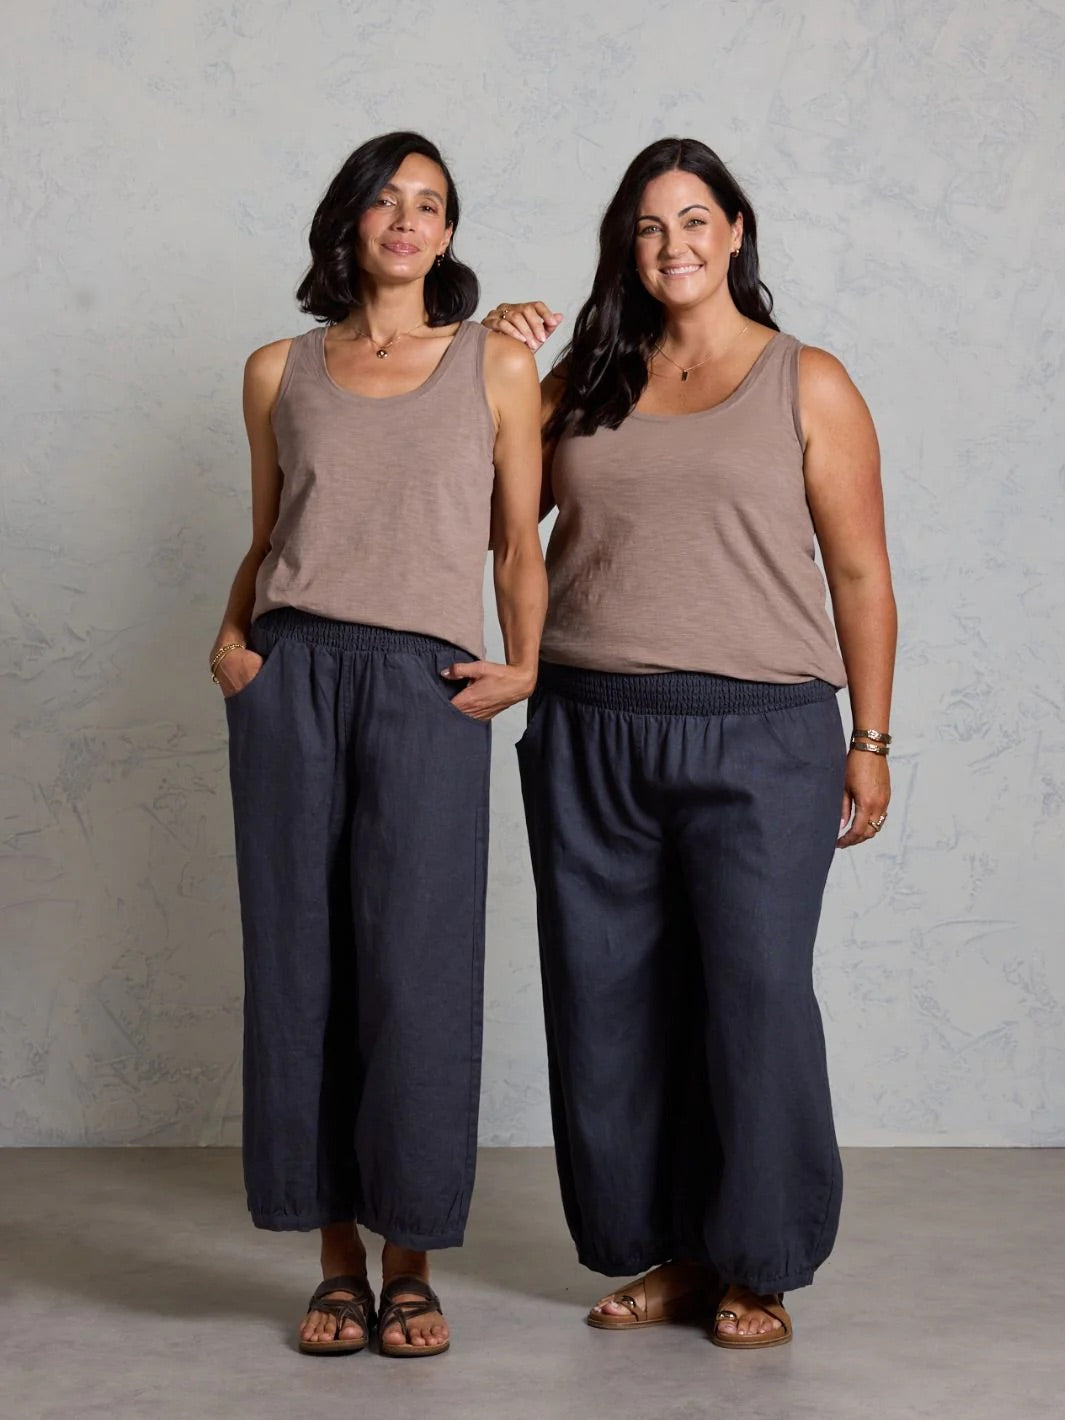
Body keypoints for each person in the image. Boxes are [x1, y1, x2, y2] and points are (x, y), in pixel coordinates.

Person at [484, 136, 895, 1349]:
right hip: (590, 726)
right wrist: (495, 361)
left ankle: (757, 1263)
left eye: (695, 220)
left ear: (735, 232)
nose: (674, 244)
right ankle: (666, 1253)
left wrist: (868, 739)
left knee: (754, 1001)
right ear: (628, 243)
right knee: (613, 1004)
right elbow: (475, 498)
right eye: (651, 226)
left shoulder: (806, 382)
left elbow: (863, 572)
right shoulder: (587, 377)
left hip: (765, 735)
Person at [210, 131, 545, 1358]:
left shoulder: (495, 364)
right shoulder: (276, 368)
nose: (408, 219)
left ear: (448, 236)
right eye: (387, 200)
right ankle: (336, 1261)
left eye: (432, 205)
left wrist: (527, 661)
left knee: (415, 967)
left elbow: (520, 541)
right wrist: (233, 640)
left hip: (423, 681)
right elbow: (268, 528)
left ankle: (412, 1259)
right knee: (302, 964)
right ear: (350, 220)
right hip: (290, 670)